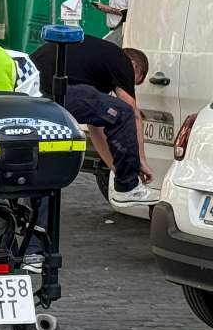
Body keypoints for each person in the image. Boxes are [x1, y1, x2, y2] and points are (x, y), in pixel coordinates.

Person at [30, 36, 155, 206]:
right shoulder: (122, 61)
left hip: (30, 87)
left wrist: (118, 170)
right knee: (123, 111)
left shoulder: (94, 65)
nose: (128, 85)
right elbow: (132, 114)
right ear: (134, 66)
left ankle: (36, 221)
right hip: (55, 87)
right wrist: (140, 162)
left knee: (113, 113)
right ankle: (128, 189)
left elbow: (95, 126)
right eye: (134, 81)